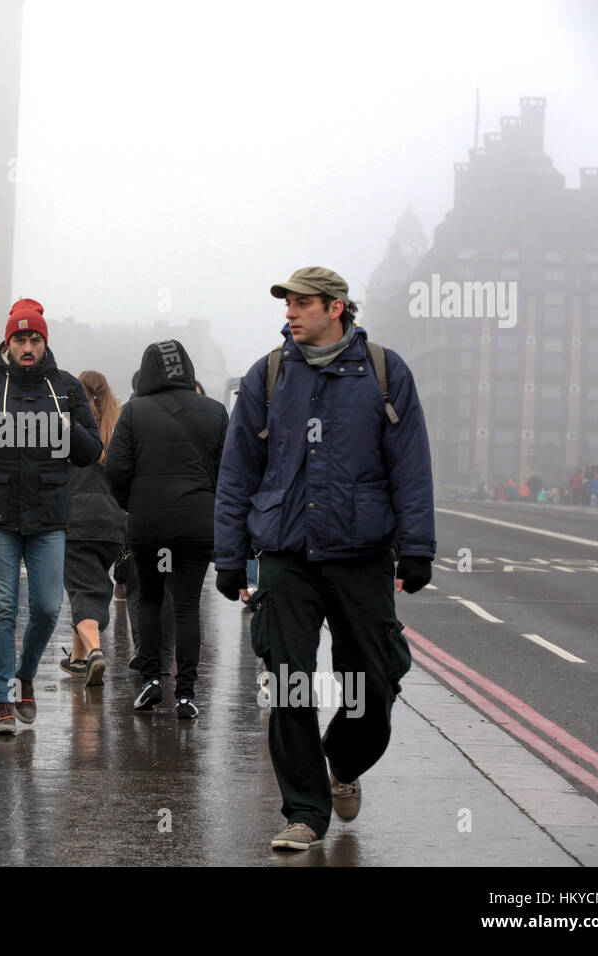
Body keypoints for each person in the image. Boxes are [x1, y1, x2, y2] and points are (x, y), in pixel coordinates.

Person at [213, 267, 435, 852]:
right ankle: (305, 814)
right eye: (287, 302)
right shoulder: (267, 375)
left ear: (336, 308)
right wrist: (231, 556)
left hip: (361, 553)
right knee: (288, 684)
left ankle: (344, 760)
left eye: (302, 303)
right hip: (285, 553)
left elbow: (410, 464)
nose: (290, 311)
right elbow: (238, 471)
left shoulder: (385, 373)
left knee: (374, 681)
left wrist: (416, 548)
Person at [0, 298, 102, 734]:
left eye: (34, 337)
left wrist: (63, 424)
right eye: (20, 338)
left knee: (47, 607)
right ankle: (2, 700)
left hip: (49, 516)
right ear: (8, 342)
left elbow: (90, 452)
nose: (27, 346)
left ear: (44, 341)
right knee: (2, 608)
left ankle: (26, 676)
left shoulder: (67, 388)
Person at [105, 339, 227, 719]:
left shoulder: (134, 413)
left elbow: (116, 471)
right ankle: (187, 694)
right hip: (195, 527)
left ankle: (152, 681)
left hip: (150, 528)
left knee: (152, 599)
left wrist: (133, 504)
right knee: (188, 606)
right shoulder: (215, 412)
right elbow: (229, 473)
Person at [60, 370, 126, 685]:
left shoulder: (70, 431)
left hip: (77, 521)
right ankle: (78, 659)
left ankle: (95, 650)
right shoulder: (118, 434)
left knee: (84, 590)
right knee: (91, 585)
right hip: (112, 526)